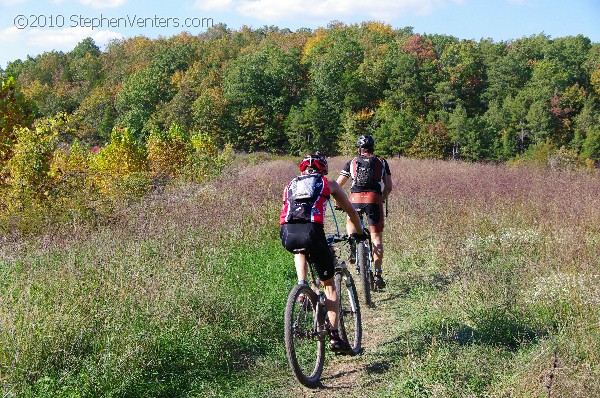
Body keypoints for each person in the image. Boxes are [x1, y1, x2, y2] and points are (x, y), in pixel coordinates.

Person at [280, 153, 366, 354]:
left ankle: (302, 288)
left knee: (299, 249)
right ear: (323, 169)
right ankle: (335, 336)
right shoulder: (328, 183)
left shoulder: (290, 184)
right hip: (313, 232)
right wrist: (360, 234)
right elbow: (352, 212)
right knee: (329, 285)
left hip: (287, 234)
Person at [336, 134, 392, 289]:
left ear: (359, 149)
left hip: (355, 199)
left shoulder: (352, 162)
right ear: (373, 148)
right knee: (376, 238)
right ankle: (378, 275)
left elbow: (338, 184)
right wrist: (381, 198)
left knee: (350, 219)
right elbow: (388, 187)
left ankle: (352, 241)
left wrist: (338, 201)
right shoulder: (382, 162)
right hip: (374, 199)